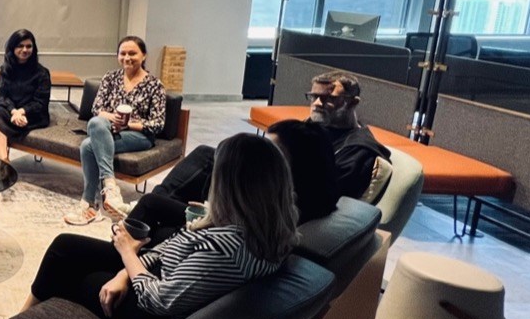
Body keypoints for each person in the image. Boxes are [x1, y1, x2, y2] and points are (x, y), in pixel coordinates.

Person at [0, 133, 294, 319]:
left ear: (231, 185)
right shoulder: (260, 226)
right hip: (154, 277)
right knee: (65, 247)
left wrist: (128, 255)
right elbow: (174, 246)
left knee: (69, 274)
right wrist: (123, 271)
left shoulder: (227, 247)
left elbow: (158, 302)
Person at [138, 70, 390, 213]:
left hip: (274, 203)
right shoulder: (316, 127)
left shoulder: (357, 149)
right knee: (210, 155)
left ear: (353, 103)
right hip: (267, 186)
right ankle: (168, 206)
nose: (316, 104)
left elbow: (320, 197)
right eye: (313, 96)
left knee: (208, 161)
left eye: (327, 99)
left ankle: (160, 208)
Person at [126, 118, 338, 247]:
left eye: (270, 150)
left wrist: (212, 214)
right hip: (217, 219)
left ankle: (133, 227)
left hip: (213, 229)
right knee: (209, 155)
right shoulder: (285, 189)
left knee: (150, 203)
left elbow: (240, 228)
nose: (260, 152)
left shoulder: (282, 204)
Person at [64, 35, 167, 226]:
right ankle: (108, 190)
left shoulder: (154, 85)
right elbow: (97, 109)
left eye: (133, 53)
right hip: (107, 130)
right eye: (123, 53)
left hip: (140, 136)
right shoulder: (110, 78)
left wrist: (128, 124)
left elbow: (158, 123)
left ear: (143, 55)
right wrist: (112, 118)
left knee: (88, 145)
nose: (127, 58)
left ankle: (91, 205)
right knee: (94, 127)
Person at [0, 28, 51, 163]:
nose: (25, 50)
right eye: (20, 46)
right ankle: (5, 161)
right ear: (12, 48)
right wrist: (14, 111)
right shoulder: (6, 69)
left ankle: (3, 164)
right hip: (12, 112)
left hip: (32, 116)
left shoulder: (42, 73)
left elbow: (40, 103)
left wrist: (21, 112)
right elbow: (2, 97)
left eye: (29, 46)